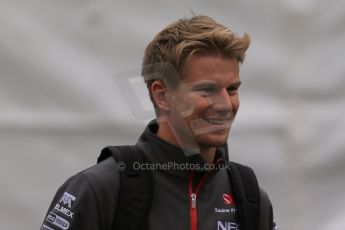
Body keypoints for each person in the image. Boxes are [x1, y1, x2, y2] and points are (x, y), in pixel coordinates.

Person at [41, 15, 276, 230]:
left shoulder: (250, 198)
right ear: (162, 95)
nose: (226, 105)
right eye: (207, 90)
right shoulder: (99, 188)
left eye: (232, 89)